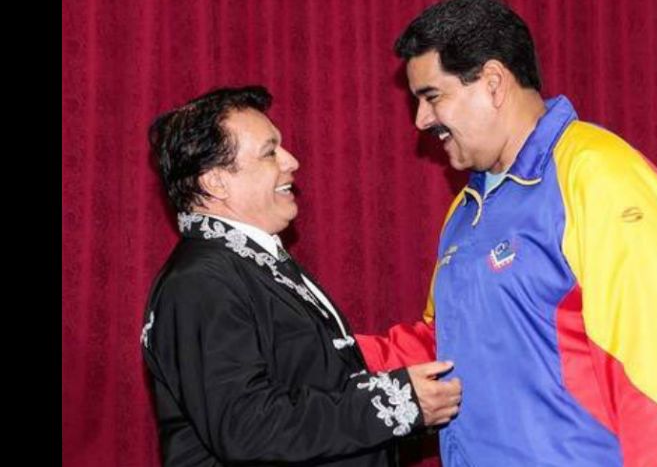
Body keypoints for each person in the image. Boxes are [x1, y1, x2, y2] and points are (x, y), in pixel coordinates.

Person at [355, 0, 657, 466]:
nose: (421, 121)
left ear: (493, 82)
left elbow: (655, 374)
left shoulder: (598, 175)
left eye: (432, 97)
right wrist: (320, 350)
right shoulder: (465, 209)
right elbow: (444, 344)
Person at [140, 85, 462, 466]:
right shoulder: (199, 282)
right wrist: (397, 402)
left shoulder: (247, 264)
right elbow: (248, 427)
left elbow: (320, 385)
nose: (291, 161)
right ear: (215, 182)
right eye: (269, 152)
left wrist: (413, 402)